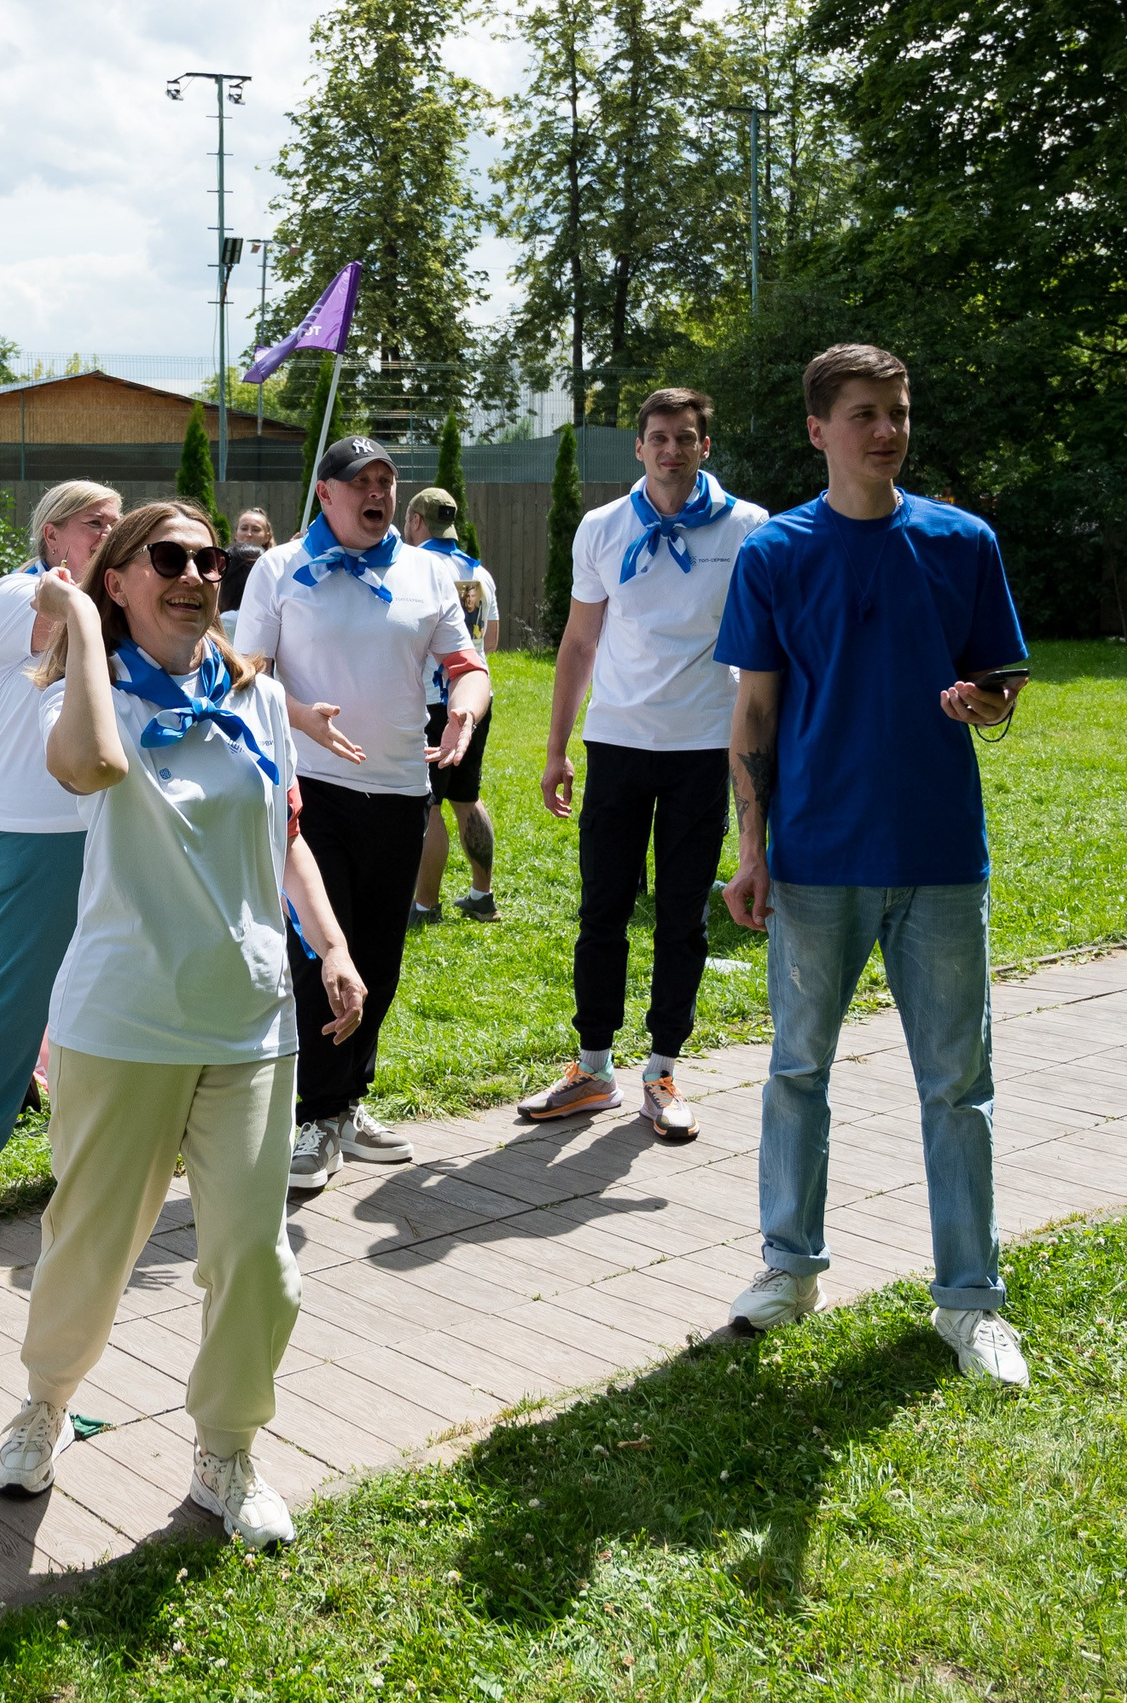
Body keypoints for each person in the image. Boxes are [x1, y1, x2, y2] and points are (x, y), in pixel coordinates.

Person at [0, 499, 364, 1549]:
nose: (198, 574)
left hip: (248, 1016)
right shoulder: (74, 693)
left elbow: (286, 837)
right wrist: (77, 632)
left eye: (211, 558)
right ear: (119, 578)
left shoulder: (263, 698)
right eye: (170, 558)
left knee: (255, 1256)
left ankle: (226, 1448)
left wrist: (328, 944)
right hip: (124, 1018)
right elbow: (97, 767)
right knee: (90, 1248)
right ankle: (45, 1403)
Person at [712, 345, 1031, 1388]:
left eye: (896, 410)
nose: (886, 430)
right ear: (818, 430)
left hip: (939, 854)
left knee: (957, 1086)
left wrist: (985, 703)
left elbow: (999, 684)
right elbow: (753, 710)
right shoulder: (776, 554)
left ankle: (968, 1299)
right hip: (817, 858)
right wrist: (751, 846)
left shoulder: (961, 541)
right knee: (797, 1072)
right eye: (863, 414)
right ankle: (788, 1269)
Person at [235, 438, 489, 1193]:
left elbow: (465, 666)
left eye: (386, 482)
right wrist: (303, 717)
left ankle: (349, 1103)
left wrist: (464, 717)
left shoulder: (427, 569)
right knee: (321, 952)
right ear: (326, 494)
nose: (377, 493)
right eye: (361, 483)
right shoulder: (278, 569)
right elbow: (248, 675)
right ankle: (313, 1114)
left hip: (401, 789)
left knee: (379, 955)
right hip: (310, 789)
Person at [521, 390, 771, 1140]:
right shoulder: (602, 527)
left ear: (703, 446)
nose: (671, 450)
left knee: (682, 917)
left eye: (685, 438)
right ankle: (591, 1067)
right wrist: (557, 747)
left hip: (703, 746)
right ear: (638, 447)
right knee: (601, 911)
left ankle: (662, 1071)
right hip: (618, 744)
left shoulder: (747, 527)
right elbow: (578, 643)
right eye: (658, 438)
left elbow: (765, 651)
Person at [0, 481, 120, 1239]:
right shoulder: (18, 594)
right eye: (94, 524)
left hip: (102, 815)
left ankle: (91, 1146)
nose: (110, 532)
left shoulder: (108, 602)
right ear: (52, 535)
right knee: (17, 993)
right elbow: (58, 623)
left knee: (105, 984)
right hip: (28, 822)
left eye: (117, 522)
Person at [402, 488, 503, 926]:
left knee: (429, 804)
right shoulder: (479, 572)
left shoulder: (415, 568)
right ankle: (482, 895)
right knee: (467, 797)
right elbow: (491, 642)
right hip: (476, 699)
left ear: (416, 521)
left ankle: (424, 906)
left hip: (431, 701)